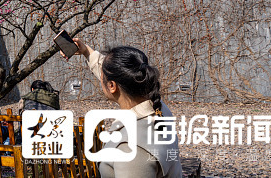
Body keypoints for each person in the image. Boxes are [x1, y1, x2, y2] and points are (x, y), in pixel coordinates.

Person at [64, 37, 183, 178]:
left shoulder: (130, 149)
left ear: (112, 86)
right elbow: (116, 74)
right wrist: (87, 52)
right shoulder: (159, 108)